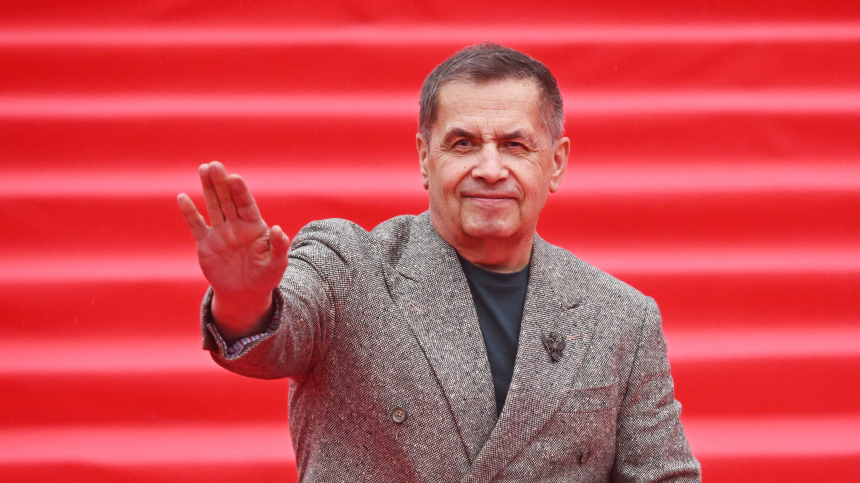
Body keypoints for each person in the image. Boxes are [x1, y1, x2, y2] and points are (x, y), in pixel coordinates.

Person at [177, 43, 701, 482]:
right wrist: (244, 296)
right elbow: (273, 341)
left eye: (515, 144)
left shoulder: (621, 317)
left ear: (556, 162)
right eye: (463, 143)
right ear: (425, 158)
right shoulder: (350, 266)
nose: (490, 169)